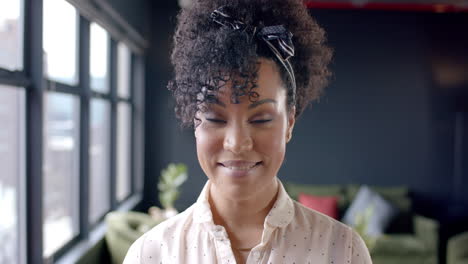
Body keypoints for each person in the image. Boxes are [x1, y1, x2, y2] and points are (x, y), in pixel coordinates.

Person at [124, 0, 372, 263]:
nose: (236, 143)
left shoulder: (343, 251)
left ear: (289, 123)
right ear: (195, 121)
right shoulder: (150, 254)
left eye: (261, 119)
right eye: (215, 118)